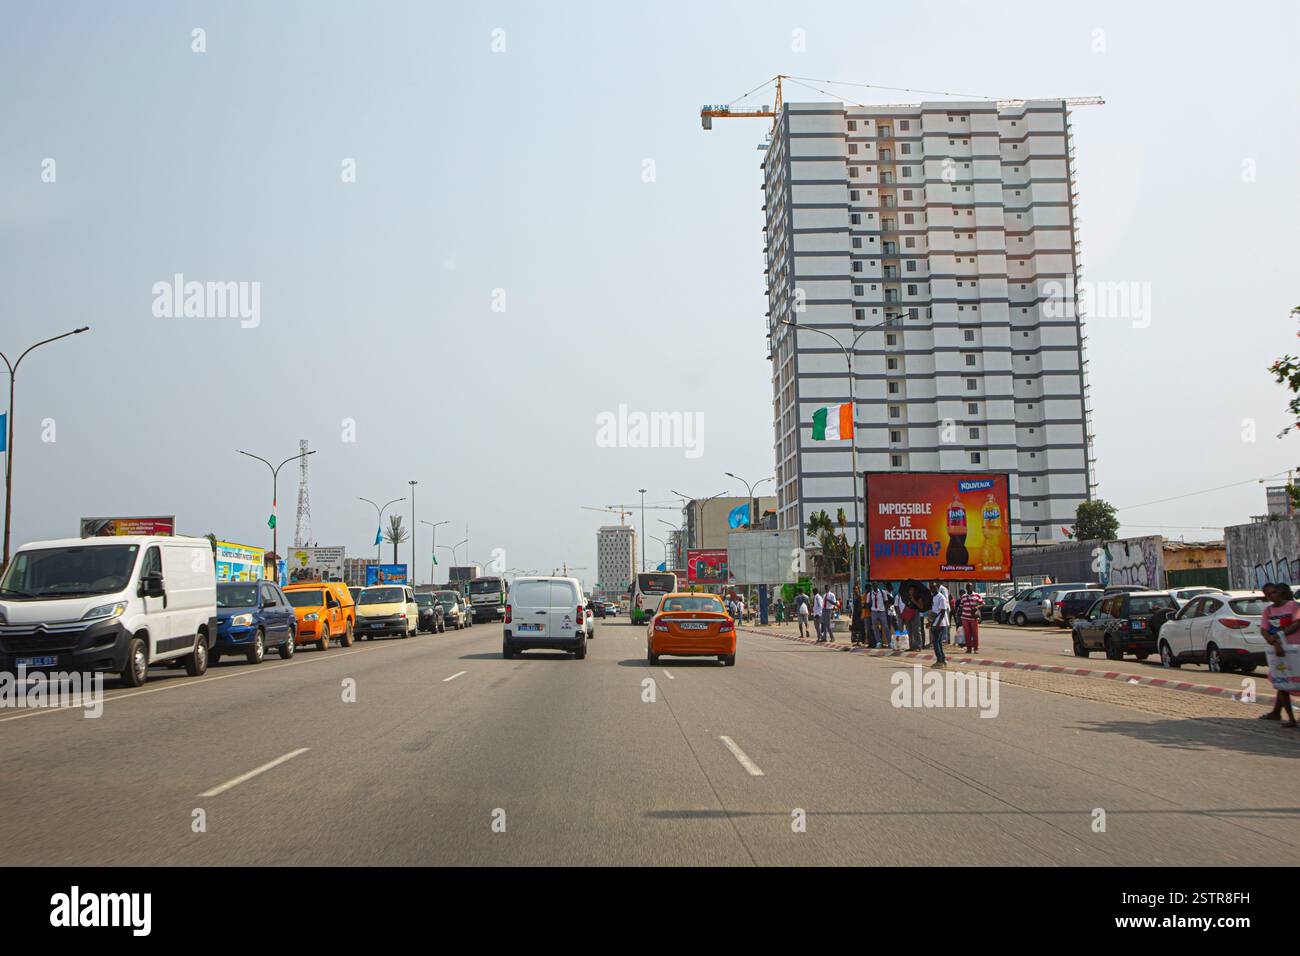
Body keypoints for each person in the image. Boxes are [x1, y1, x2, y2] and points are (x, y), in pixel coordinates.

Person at [1259, 582, 1299, 728]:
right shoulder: (1268, 611)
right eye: (1268, 594)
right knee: (1282, 684)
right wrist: (1274, 641)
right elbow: (1264, 629)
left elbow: (1297, 623)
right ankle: (1291, 719)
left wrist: (1277, 636)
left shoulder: (1293, 606)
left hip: (1296, 649)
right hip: (1279, 653)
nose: (1271, 596)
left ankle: (1279, 713)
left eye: (1273, 592)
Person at [930, 584, 951, 669]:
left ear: (937, 588)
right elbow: (934, 611)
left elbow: (942, 612)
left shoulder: (941, 597)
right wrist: (930, 622)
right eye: (931, 588)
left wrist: (938, 624)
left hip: (940, 623)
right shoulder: (934, 597)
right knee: (938, 642)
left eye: (934, 588)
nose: (932, 589)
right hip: (935, 622)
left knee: (935, 642)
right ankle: (942, 660)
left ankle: (939, 661)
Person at [959, 584, 983, 654]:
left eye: (970, 587)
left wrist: (977, 607)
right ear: (966, 588)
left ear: (972, 587)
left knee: (975, 634)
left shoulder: (977, 595)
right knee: (967, 634)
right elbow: (961, 606)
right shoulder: (963, 596)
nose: (969, 588)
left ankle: (976, 649)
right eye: (967, 587)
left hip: (973, 618)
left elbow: (982, 603)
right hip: (965, 617)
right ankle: (968, 649)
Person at [869, 583, 891, 649]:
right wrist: (871, 610)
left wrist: (886, 611)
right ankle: (879, 642)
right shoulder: (870, 594)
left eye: (875, 586)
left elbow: (886, 602)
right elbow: (868, 603)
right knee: (875, 628)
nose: (874, 587)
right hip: (874, 612)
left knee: (885, 627)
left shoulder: (882, 592)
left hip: (882, 611)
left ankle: (889, 642)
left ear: (877, 586)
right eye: (873, 586)